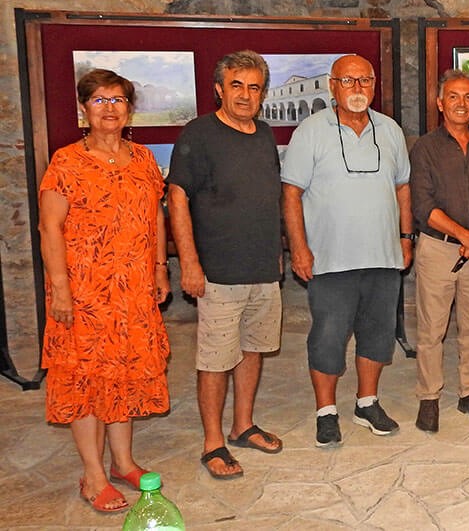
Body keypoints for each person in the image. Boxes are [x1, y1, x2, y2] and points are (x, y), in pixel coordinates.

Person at [38, 69, 170, 513]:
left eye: (118, 100)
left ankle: (123, 462)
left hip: (132, 290)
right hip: (83, 292)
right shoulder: (66, 162)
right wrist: (60, 288)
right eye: (99, 100)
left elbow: (155, 218)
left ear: (130, 109)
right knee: (85, 380)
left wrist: (158, 269)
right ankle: (93, 476)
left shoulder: (145, 159)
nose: (110, 108)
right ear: (83, 109)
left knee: (126, 373)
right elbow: (49, 227)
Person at [282, 53, 413, 447]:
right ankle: (326, 411)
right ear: (332, 86)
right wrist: (299, 249)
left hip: (383, 257)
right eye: (348, 81)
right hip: (330, 259)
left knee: (378, 334)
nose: (357, 89)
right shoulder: (310, 131)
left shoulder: (390, 130)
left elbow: (402, 187)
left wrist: (407, 237)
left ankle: (367, 402)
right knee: (328, 337)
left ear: (374, 86)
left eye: (365, 81)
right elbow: (291, 193)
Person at [167, 50, 284, 480]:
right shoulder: (199, 133)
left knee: (253, 350)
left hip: (261, 269)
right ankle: (213, 441)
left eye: (254, 87)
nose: (245, 95)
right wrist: (190, 264)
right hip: (217, 272)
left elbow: (267, 196)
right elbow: (177, 198)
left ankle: (242, 425)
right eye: (237, 85)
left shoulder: (265, 134)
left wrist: (275, 250)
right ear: (219, 89)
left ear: (263, 94)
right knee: (216, 359)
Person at [409, 70, 469, 432]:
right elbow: (423, 206)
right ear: (440, 103)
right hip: (439, 250)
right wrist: (465, 234)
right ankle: (429, 396)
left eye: (468, 97)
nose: (461, 103)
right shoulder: (425, 148)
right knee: (432, 329)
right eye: (453, 96)